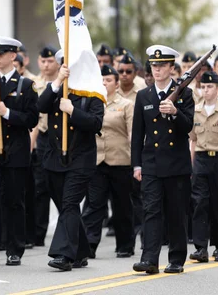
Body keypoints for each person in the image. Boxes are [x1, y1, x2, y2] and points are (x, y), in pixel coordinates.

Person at [38, 49, 104, 271]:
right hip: (54, 157)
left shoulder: (93, 92)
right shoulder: (57, 89)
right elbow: (41, 106)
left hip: (80, 158)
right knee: (66, 206)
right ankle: (81, 250)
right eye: (65, 65)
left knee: (69, 203)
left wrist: (72, 110)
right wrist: (57, 81)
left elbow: (95, 123)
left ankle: (63, 255)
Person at [131, 45, 194, 275]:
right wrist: (136, 164)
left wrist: (175, 113)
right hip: (152, 164)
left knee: (177, 212)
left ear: (171, 68)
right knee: (151, 211)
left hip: (176, 163)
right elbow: (138, 134)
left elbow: (188, 128)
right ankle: (149, 259)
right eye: (153, 65)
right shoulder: (143, 95)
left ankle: (176, 259)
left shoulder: (184, 93)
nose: (156, 70)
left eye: (161, 65)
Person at [0, 36, 38, 267]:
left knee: (14, 201)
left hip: (16, 150)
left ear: (13, 56)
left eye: (1, 54)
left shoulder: (26, 85)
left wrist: (8, 113)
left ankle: (14, 249)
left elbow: (32, 118)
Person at [82, 65, 135, 259]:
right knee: (94, 205)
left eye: (108, 80)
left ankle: (125, 244)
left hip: (120, 160)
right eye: (101, 80)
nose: (104, 83)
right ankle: (89, 244)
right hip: (97, 160)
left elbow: (132, 133)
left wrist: (136, 160)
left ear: (116, 82)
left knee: (122, 205)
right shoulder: (92, 102)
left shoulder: (126, 104)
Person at [188, 70, 218, 263]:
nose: (206, 90)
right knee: (200, 203)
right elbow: (193, 140)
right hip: (200, 159)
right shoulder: (196, 110)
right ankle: (201, 248)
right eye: (203, 87)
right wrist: (191, 164)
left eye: (210, 87)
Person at [32, 46, 60, 247]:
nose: (46, 64)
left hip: (61, 136)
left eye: (50, 61)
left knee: (60, 186)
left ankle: (64, 229)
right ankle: (39, 232)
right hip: (42, 136)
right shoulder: (35, 84)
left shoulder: (65, 82)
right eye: (43, 61)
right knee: (41, 187)